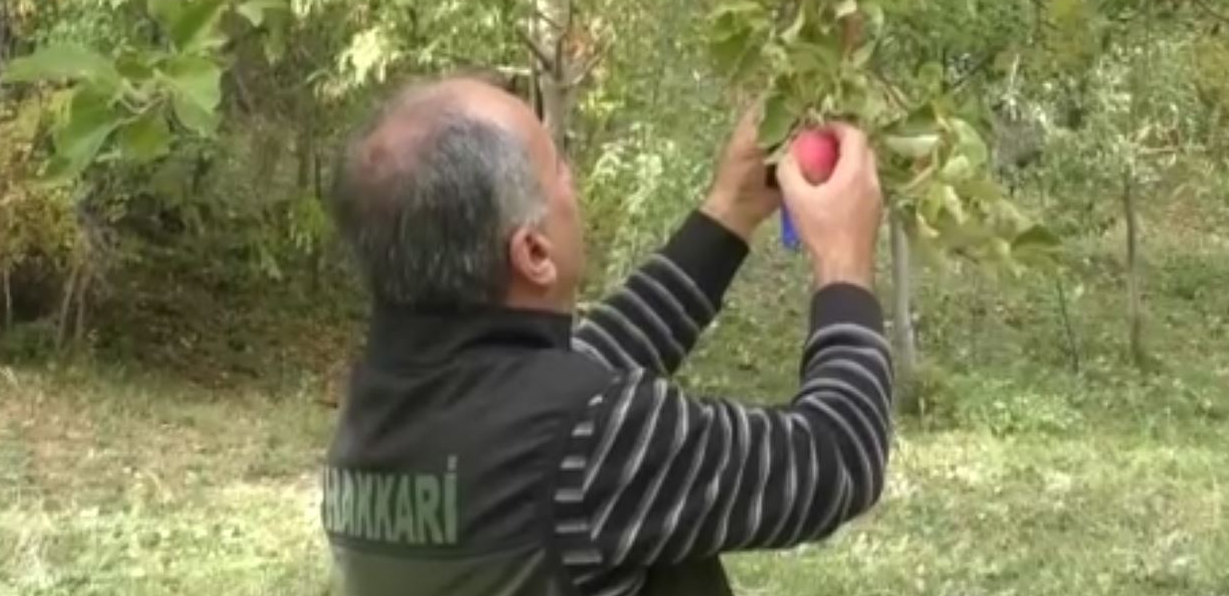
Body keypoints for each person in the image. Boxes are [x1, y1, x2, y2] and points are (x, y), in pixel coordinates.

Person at [321, 73, 893, 596]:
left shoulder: (373, 421)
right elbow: (836, 460)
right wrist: (843, 263)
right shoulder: (588, 437)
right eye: (559, 166)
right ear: (534, 252)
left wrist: (730, 212)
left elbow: (588, 370)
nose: (573, 180)